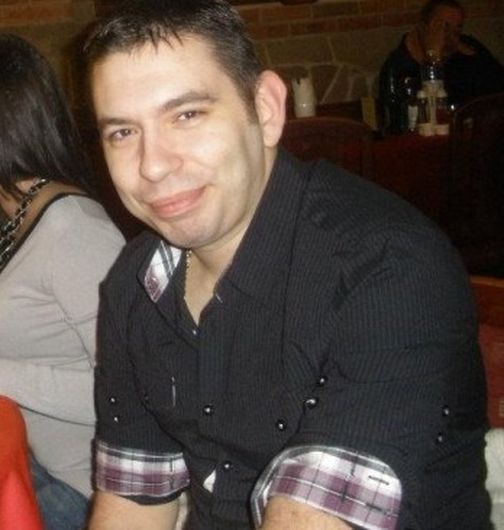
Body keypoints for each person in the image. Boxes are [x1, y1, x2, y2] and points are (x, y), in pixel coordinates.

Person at [83, 1, 491, 528]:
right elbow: (134, 503)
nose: (153, 165)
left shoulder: (388, 267)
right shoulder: (136, 282)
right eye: (122, 132)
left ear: (267, 109)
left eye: (187, 115)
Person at [0, 34, 125, 529]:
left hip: (81, 493)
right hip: (31, 461)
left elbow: (130, 391)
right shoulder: (15, 212)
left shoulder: (74, 230)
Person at [379, 0, 504, 107]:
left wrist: (472, 56)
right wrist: (434, 55)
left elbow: (497, 85)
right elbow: (434, 107)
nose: (450, 36)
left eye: (457, 29)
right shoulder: (398, 66)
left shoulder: (467, 48)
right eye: (443, 27)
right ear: (423, 27)